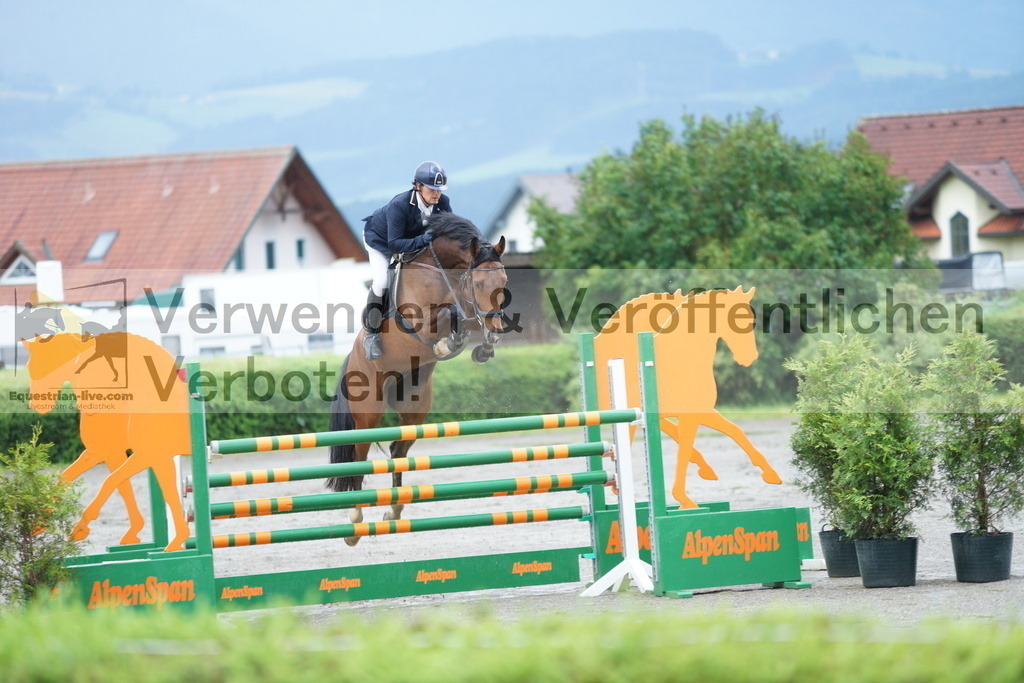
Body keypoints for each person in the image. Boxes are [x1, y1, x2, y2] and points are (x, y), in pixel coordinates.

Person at [360, 161, 453, 360]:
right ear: (418, 186)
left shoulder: (442, 203)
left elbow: (449, 231)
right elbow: (395, 244)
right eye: (432, 188)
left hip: (410, 239)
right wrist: (423, 239)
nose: (436, 193)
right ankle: (371, 334)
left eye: (439, 189)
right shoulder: (400, 205)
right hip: (381, 241)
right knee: (382, 282)